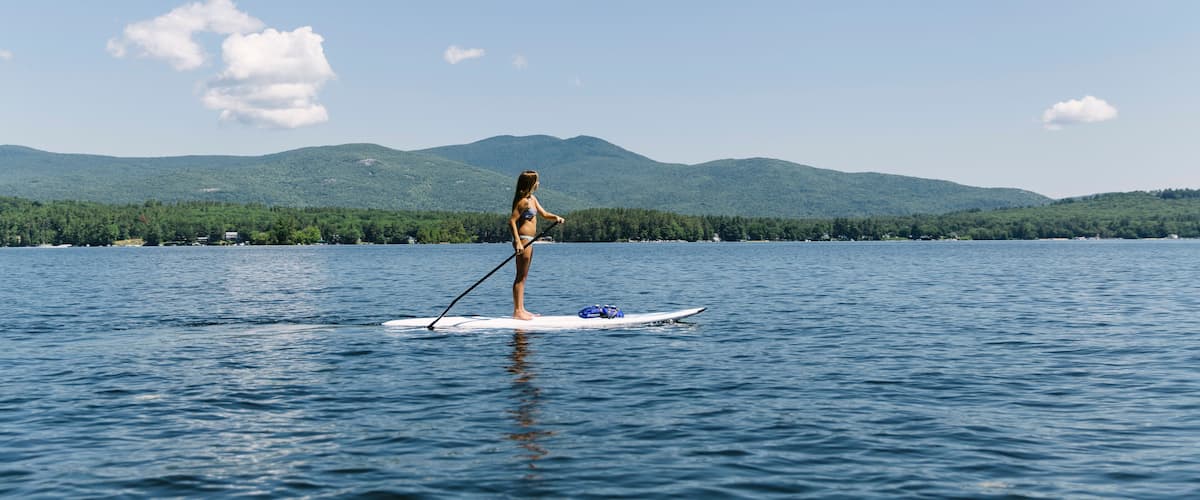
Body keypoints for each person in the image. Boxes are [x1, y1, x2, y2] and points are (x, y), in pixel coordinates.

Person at [509, 170, 564, 320]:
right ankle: (517, 311)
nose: (538, 183)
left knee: (524, 276)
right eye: (536, 181)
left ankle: (522, 309)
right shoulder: (523, 201)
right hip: (523, 240)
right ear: (531, 183)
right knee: (520, 276)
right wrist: (518, 242)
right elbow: (512, 221)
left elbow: (544, 214)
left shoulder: (532, 199)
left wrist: (556, 217)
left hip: (530, 240)